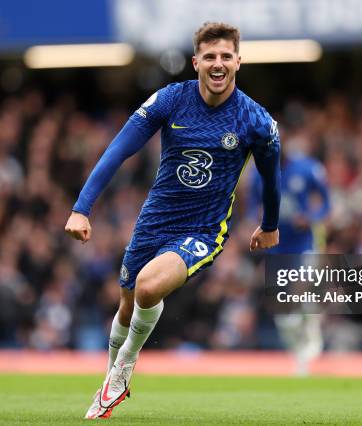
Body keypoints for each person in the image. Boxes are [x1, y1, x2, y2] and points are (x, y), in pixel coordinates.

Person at [65, 22, 281, 420]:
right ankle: (109, 381)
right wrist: (82, 206)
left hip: (202, 230)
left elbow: (271, 178)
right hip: (154, 221)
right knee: (127, 307)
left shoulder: (255, 121)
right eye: (210, 57)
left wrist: (269, 224)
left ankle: (124, 368)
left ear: (239, 61)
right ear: (196, 61)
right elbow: (117, 151)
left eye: (226, 56)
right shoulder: (170, 100)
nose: (218, 64)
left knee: (148, 288)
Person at [248, 138, 330, 375]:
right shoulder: (257, 175)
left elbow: (325, 202)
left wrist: (311, 217)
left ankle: (311, 329)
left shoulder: (307, 169)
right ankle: (300, 354)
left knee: (300, 290)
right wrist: (258, 218)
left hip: (303, 244)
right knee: (284, 317)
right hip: (276, 248)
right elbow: (253, 206)